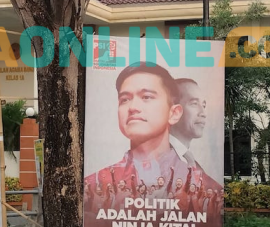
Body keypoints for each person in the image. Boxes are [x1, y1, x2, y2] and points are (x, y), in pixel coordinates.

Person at [84, 63, 185, 192]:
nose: (133, 107)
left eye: (146, 97)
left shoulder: (201, 185)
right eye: (125, 99)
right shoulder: (94, 187)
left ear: (174, 113)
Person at [169, 78, 222, 192]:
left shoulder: (189, 159)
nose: (203, 113)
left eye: (203, 105)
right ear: (173, 109)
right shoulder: (155, 156)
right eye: (194, 103)